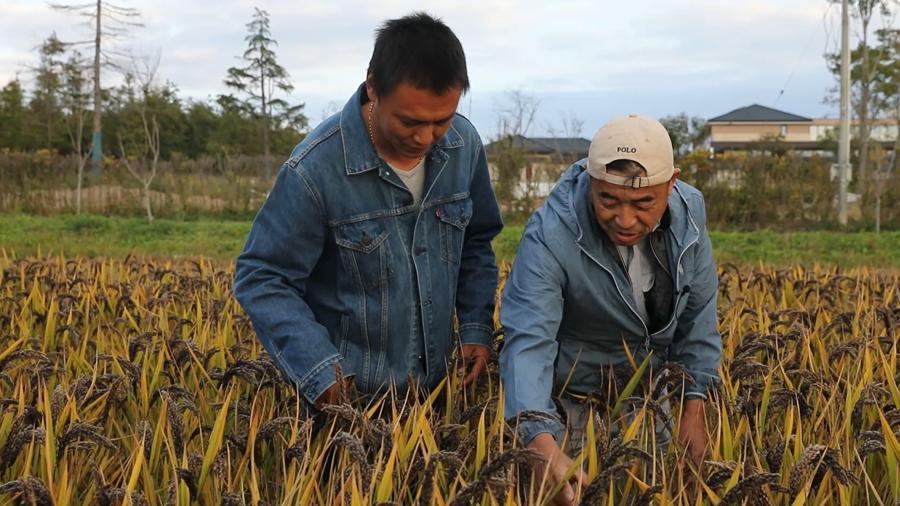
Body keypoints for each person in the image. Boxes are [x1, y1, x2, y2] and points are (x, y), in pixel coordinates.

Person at [234, 12, 502, 412]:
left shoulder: (464, 146)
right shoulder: (314, 170)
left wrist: (476, 327)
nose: (425, 138)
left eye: (441, 121)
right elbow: (263, 277)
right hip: (349, 406)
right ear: (373, 86)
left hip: (440, 396)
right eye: (410, 121)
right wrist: (320, 373)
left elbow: (477, 242)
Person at [499, 115, 721, 504]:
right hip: (570, 404)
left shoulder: (691, 217)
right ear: (589, 182)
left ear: (671, 184)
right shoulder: (551, 233)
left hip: (649, 400)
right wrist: (538, 439)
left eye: (643, 203)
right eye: (608, 200)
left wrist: (693, 407)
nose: (625, 219)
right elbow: (528, 340)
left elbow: (697, 320)